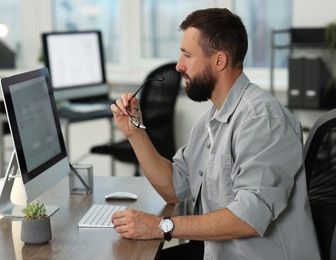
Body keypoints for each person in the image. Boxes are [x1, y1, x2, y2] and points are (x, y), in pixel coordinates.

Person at [110, 8, 321, 260]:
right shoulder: (209, 122)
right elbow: (173, 187)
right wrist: (135, 133)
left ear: (219, 61)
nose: (179, 66)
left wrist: (161, 226)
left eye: (187, 55)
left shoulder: (262, 120)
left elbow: (249, 218)